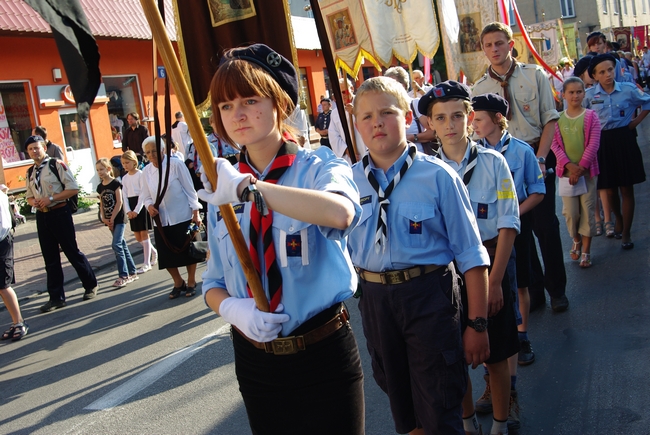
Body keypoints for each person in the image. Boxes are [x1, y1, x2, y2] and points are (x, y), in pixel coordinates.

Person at [199, 43, 365, 435]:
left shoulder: (319, 166)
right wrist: (233, 311)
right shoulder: (223, 188)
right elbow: (213, 282)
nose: (237, 114)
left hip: (322, 353)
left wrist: (251, 190)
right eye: (225, 105)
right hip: (255, 362)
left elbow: (340, 214)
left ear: (279, 103)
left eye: (249, 100)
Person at [347, 76, 490, 435]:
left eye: (387, 112)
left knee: (440, 403)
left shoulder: (437, 176)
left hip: (429, 296)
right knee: (403, 408)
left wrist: (478, 324)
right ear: (356, 124)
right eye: (366, 116)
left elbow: (471, 255)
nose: (377, 123)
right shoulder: (348, 183)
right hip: (376, 301)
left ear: (408, 117)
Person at [421, 81, 520, 435]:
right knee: (456, 354)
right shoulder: (426, 171)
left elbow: (508, 223)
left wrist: (496, 282)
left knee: (497, 352)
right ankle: (467, 422)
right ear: (430, 124)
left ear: (470, 117)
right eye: (440, 118)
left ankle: (500, 423)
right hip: (449, 273)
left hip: (493, 263)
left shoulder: (494, 163)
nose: (449, 125)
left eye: (457, 116)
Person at [473, 22, 568, 314]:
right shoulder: (480, 88)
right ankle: (533, 290)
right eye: (488, 45)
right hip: (501, 164)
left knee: (545, 226)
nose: (494, 50)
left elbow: (550, 119)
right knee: (517, 229)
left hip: (535, 154)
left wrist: (540, 158)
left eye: (499, 43)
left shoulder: (534, 74)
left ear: (510, 45)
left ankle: (557, 290)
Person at [471, 92, 545, 431]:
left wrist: (511, 214)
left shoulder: (521, 152)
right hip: (482, 242)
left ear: (497, 119)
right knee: (484, 316)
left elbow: (537, 191)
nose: (474, 124)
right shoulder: (472, 155)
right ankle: (494, 384)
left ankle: (517, 355)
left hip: (514, 230)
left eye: (479, 119)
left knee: (518, 289)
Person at [24, 136, 98, 312]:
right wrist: (34, 202)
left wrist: (50, 198)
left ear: (44, 148)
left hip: (59, 212)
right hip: (43, 215)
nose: (34, 151)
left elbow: (72, 188)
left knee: (71, 251)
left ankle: (90, 284)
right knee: (50, 258)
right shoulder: (30, 171)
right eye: (30, 149)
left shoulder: (56, 165)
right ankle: (56, 298)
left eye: (37, 148)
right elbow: (29, 196)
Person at [584, 54, 650, 250]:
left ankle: (626, 232)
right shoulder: (589, 95)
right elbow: (579, 115)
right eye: (602, 72)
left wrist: (635, 123)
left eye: (610, 70)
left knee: (626, 188)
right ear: (595, 76)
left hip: (624, 139)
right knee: (610, 188)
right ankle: (618, 219)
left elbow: (647, 102)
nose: (607, 75)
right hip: (602, 142)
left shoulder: (627, 90)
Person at [140, 136, 202, 298]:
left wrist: (195, 212)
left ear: (162, 150)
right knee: (166, 254)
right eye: (148, 152)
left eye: (154, 151)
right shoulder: (146, 171)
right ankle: (178, 282)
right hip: (161, 220)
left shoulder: (176, 165)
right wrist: (149, 206)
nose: (151, 155)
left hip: (182, 215)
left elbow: (190, 190)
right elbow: (145, 196)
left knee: (188, 250)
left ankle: (191, 281)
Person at [551, 77, 601, 267]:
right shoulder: (557, 119)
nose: (575, 95)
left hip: (587, 174)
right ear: (563, 94)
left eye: (579, 91)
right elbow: (554, 145)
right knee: (571, 213)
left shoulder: (591, 116)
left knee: (588, 210)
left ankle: (586, 250)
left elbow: (593, 144)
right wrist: (569, 167)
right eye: (571, 92)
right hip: (566, 175)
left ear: (584, 93)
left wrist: (580, 168)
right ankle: (576, 238)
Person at [96, 158, 138, 287]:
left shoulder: (115, 183)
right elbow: (102, 204)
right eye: (97, 170)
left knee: (116, 245)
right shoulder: (100, 186)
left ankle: (123, 275)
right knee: (122, 245)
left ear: (109, 169)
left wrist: (113, 218)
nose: (99, 172)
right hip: (109, 220)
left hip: (119, 219)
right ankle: (132, 271)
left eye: (101, 169)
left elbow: (119, 202)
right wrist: (104, 217)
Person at [384, 66, 437, 154]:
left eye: (391, 84)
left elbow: (434, 131)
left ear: (403, 85)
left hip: (419, 156)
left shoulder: (414, 104)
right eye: (386, 85)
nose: (387, 89)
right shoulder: (384, 110)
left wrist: (413, 137)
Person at [121, 151, 157, 274]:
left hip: (140, 205)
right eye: (123, 163)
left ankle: (146, 263)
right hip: (131, 206)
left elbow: (143, 193)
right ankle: (154, 252)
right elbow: (124, 195)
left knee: (144, 234)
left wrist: (137, 210)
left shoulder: (141, 174)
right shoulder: (124, 178)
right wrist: (128, 210)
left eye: (127, 162)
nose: (125, 165)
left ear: (134, 161)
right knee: (137, 236)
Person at [0, 189, 29, 342]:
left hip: (1, 243)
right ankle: (15, 322)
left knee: (3, 285)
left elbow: (4, 225)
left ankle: (19, 322)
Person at [328, 78, 367, 163]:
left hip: (366, 149)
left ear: (352, 88)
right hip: (349, 157)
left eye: (344, 92)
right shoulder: (335, 113)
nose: (342, 95)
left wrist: (356, 112)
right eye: (338, 93)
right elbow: (333, 136)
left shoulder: (364, 103)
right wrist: (346, 150)